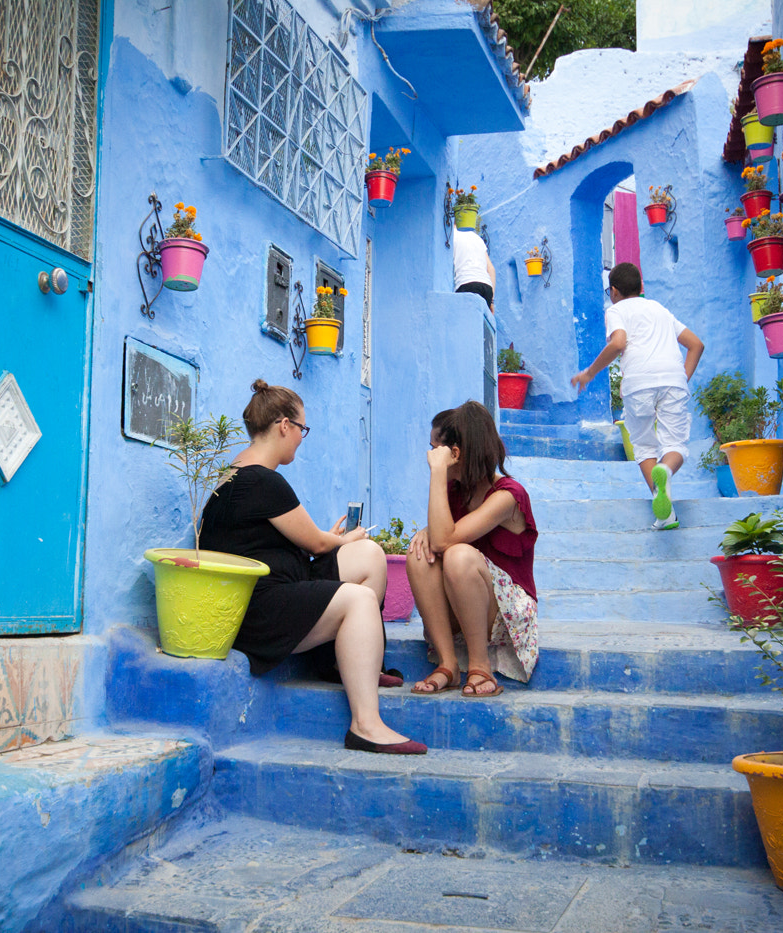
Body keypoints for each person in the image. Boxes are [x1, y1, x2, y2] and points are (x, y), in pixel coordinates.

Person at [199, 380, 426, 755]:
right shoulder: (264, 480)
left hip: (278, 587)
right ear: (283, 425)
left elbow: (294, 541)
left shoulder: (236, 473)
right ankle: (365, 725)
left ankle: (344, 663)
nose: (302, 438)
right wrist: (340, 540)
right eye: (302, 429)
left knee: (369, 555)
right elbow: (318, 543)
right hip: (261, 612)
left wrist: (341, 541)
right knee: (359, 600)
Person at [407, 401, 538, 697]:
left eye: (435, 450)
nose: (430, 456)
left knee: (457, 555)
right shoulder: (456, 491)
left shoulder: (508, 496)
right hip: (463, 602)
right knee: (419, 554)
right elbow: (439, 537)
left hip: (504, 615)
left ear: (454, 454)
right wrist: (428, 531)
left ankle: (480, 666)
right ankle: (448, 663)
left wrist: (437, 472)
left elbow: (446, 541)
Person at [570, 262, 704, 530]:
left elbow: (618, 342)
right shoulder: (660, 309)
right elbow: (696, 345)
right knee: (675, 444)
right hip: (673, 380)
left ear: (615, 291)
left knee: (644, 446)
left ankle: (664, 513)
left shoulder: (617, 310)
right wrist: (680, 378)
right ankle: (665, 473)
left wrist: (589, 373)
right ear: (641, 288)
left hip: (639, 382)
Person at [453, 226, 495, 311]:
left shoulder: (452, 236)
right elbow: (491, 269)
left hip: (467, 282)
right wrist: (491, 301)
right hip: (486, 286)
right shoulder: (477, 238)